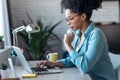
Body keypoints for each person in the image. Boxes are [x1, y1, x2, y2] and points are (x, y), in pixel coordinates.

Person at [37, 0, 117, 80]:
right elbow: (74, 60)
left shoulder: (96, 35)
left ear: (83, 16)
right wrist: (53, 64)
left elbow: (84, 67)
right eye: (67, 20)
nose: (68, 23)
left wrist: (68, 45)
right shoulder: (78, 34)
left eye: (71, 19)